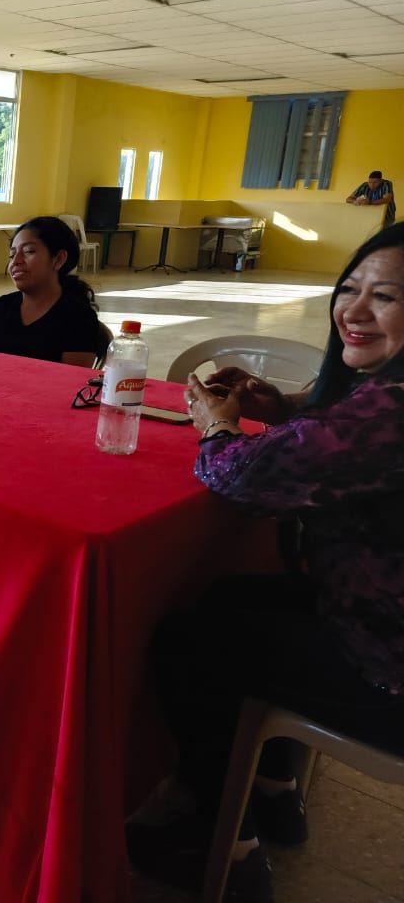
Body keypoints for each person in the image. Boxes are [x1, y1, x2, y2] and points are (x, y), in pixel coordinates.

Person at [128, 222, 404, 903]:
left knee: (187, 641)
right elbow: (337, 452)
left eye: (386, 296)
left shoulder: (393, 411)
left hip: (386, 664)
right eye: (350, 289)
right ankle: (277, 790)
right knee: (229, 599)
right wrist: (281, 410)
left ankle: (227, 846)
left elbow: (242, 478)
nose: (355, 310)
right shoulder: (379, 400)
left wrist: (217, 425)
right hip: (366, 613)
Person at [0, 216, 102, 367]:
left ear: (58, 259)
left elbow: (73, 379)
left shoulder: (79, 318)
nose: (16, 261)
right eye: (12, 255)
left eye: (28, 251)